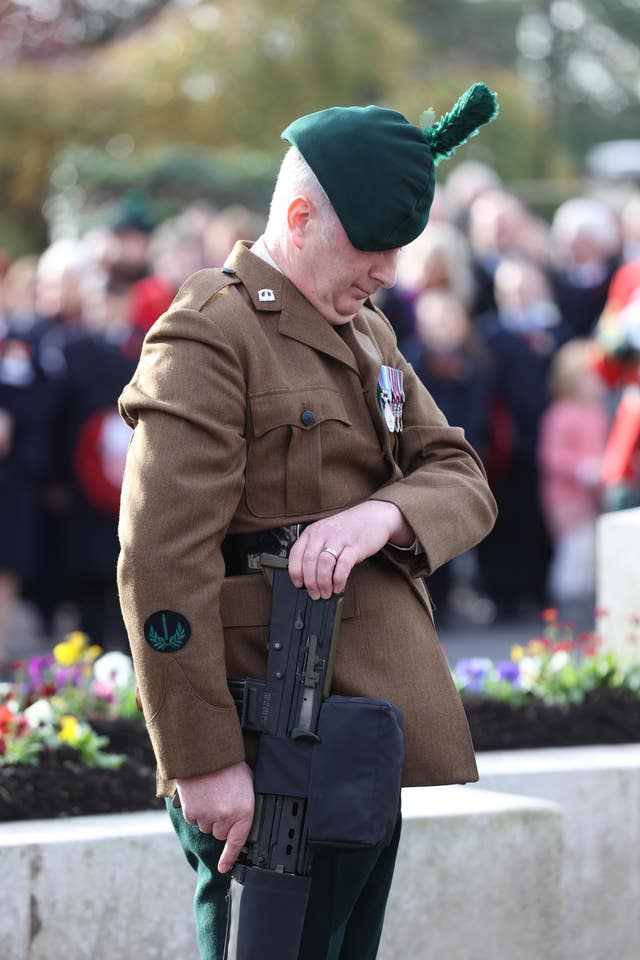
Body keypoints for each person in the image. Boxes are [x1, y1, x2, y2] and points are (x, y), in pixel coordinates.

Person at [117, 84, 498, 960]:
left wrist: (381, 515)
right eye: (371, 248)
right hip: (267, 743)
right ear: (298, 217)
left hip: (357, 731)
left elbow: (459, 473)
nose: (389, 273)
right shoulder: (209, 336)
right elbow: (159, 560)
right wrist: (204, 758)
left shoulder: (367, 331)